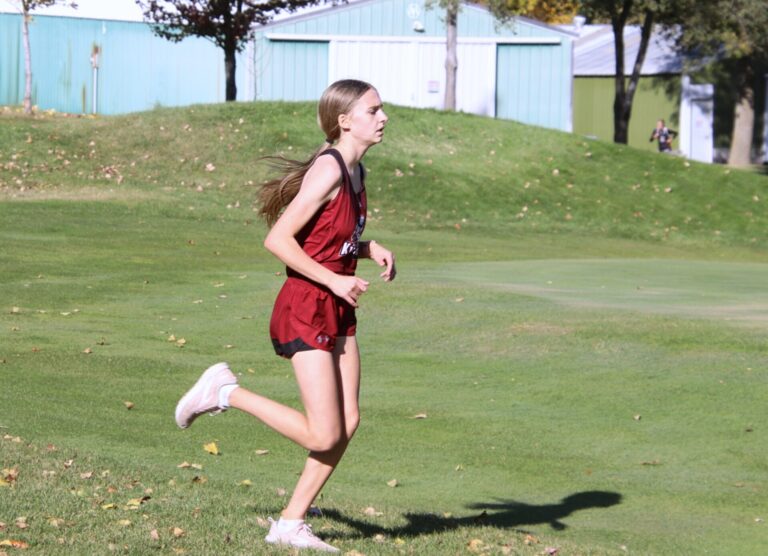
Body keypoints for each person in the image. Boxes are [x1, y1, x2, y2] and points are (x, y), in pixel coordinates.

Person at [173, 79, 395, 553]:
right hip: (306, 304)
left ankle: (290, 523)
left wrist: (367, 246)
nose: (382, 118)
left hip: (336, 306)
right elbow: (277, 239)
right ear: (345, 120)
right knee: (323, 431)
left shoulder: (357, 173)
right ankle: (225, 392)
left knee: (348, 420)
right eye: (373, 110)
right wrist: (335, 279)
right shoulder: (329, 170)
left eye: (382, 109)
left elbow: (330, 239)